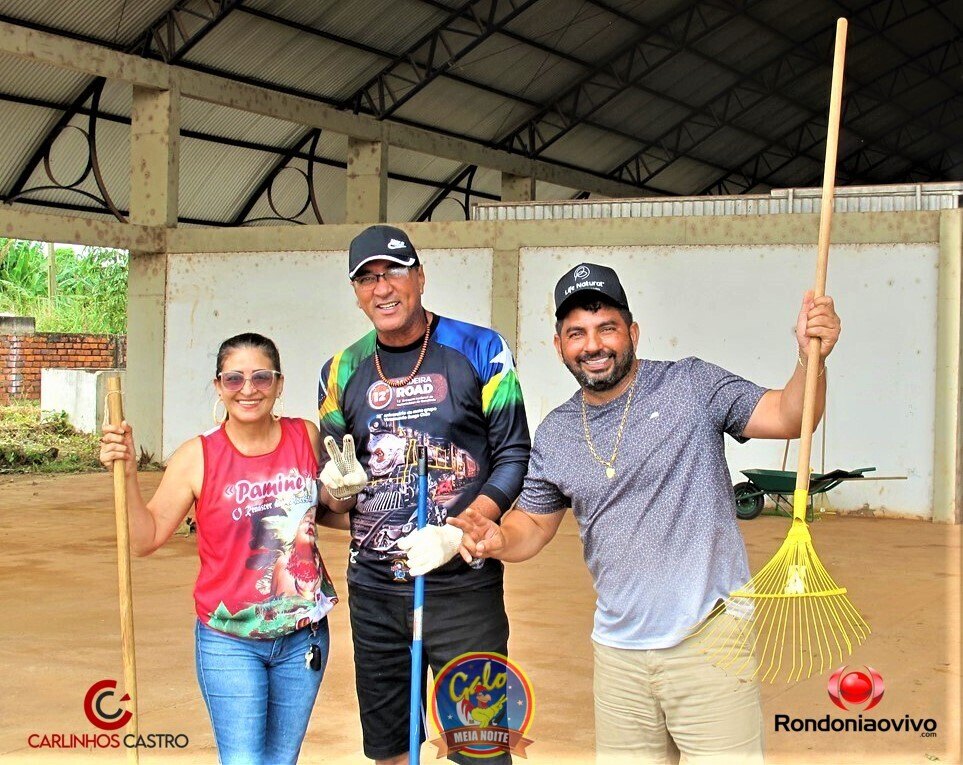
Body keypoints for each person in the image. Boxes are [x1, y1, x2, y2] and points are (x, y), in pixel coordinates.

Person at [449, 263, 842, 764]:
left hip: (711, 642)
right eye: (577, 333)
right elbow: (532, 525)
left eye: (606, 328)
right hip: (618, 656)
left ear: (632, 332)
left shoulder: (692, 386)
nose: (593, 345)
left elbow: (789, 416)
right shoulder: (558, 431)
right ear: (559, 345)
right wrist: (498, 539)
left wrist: (812, 360)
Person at [316, 225, 530, 764]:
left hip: (463, 588)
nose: (382, 288)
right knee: (389, 748)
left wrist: (460, 527)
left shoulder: (481, 349)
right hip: (375, 590)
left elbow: (512, 454)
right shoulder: (339, 371)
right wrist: (338, 489)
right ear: (356, 292)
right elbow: (337, 494)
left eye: (393, 272)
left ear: (420, 278)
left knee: (478, 746)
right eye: (366, 278)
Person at [99, 332, 339, 765]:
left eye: (261, 377)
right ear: (218, 386)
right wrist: (129, 473)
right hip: (230, 639)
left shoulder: (305, 436)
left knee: (281, 761)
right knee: (244, 760)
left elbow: (331, 509)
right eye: (234, 379)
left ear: (279, 384)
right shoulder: (197, 456)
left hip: (303, 637)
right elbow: (145, 538)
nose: (248, 389)